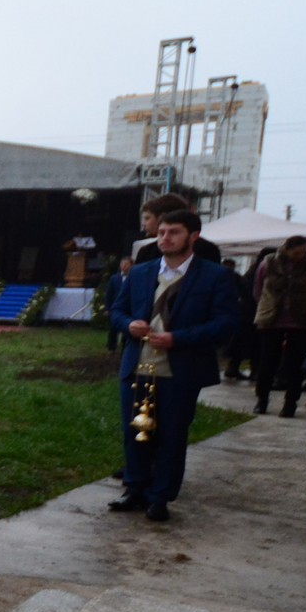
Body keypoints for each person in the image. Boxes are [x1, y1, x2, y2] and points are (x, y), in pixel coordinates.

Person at [110, 208, 237, 521]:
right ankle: (135, 488)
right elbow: (116, 311)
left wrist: (177, 338)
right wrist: (129, 325)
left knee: (171, 434)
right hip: (138, 364)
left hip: (181, 368)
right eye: (162, 232)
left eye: (174, 232)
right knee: (136, 430)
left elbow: (225, 323)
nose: (165, 238)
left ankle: (160, 497)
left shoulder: (215, 275)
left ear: (193, 236)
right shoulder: (141, 272)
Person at [252, 234, 306, 417]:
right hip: (271, 319)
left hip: (301, 321)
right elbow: (258, 289)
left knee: (295, 364)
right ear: (286, 248)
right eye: (296, 252)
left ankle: (290, 403)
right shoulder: (268, 262)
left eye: (303, 252)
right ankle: (262, 400)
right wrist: (267, 306)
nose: (300, 255)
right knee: (267, 362)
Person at [105, 257, 133, 352]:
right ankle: (111, 347)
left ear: (131, 265)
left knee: (127, 328)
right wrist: (107, 308)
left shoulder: (134, 277)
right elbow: (109, 294)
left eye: (126, 264)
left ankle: (124, 348)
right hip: (115, 307)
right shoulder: (115, 278)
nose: (124, 266)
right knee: (113, 328)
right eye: (122, 264)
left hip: (129, 307)